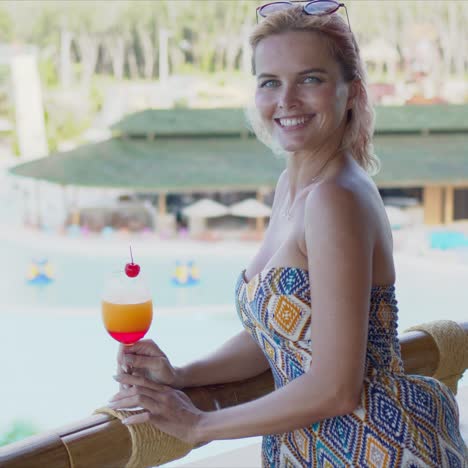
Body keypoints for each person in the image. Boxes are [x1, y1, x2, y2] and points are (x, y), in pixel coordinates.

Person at [108, 2, 467, 466]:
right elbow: (277, 333)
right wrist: (179, 374)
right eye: (270, 82)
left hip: (373, 450)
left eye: (311, 79)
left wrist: (199, 425)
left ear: (351, 92)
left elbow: (337, 388)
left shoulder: (335, 199)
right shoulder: (293, 188)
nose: (287, 100)